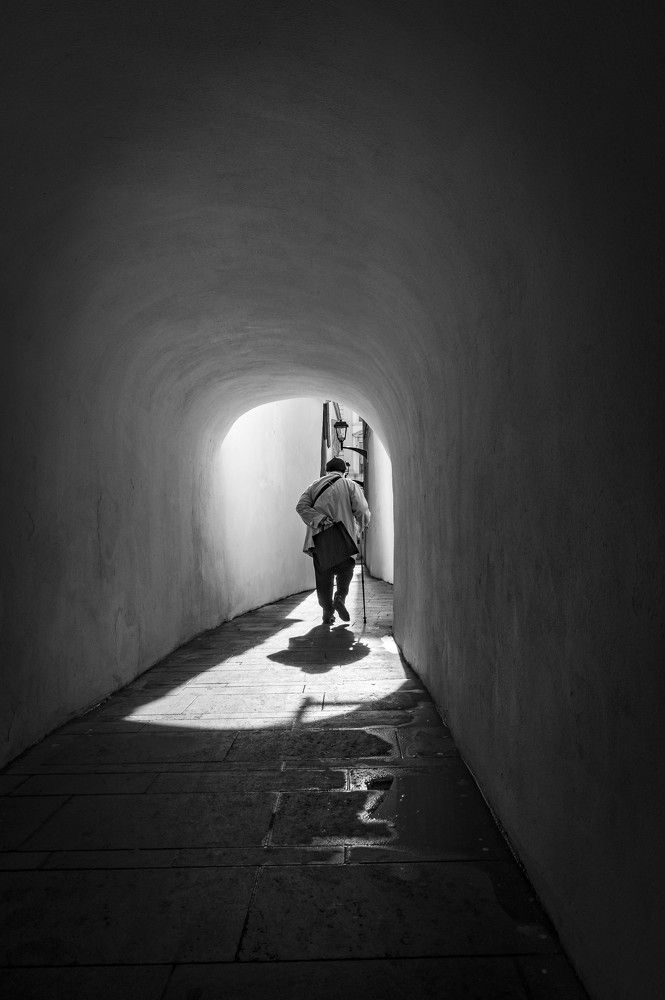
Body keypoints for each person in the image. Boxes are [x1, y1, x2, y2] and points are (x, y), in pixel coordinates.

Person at [296, 457, 371, 625]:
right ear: (344, 471)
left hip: (319, 539)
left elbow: (301, 507)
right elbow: (362, 510)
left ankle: (327, 612)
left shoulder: (314, 486)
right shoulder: (350, 485)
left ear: (326, 471)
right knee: (346, 570)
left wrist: (320, 519)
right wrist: (364, 525)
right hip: (343, 537)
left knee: (324, 577)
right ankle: (340, 597)